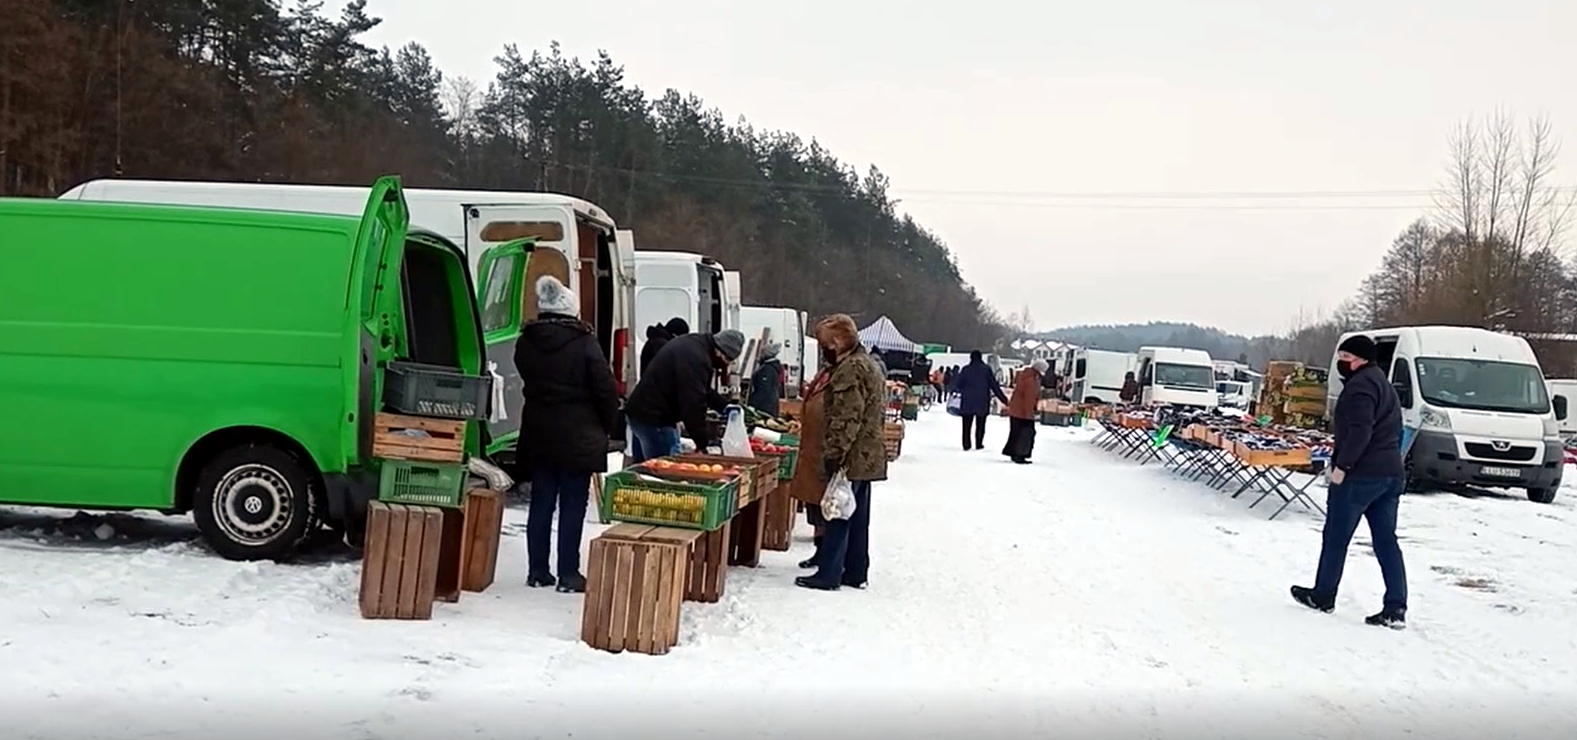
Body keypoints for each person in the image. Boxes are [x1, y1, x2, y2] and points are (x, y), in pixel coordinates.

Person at [1291, 334, 1407, 628]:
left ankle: (1323, 595)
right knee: (1386, 541)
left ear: (1360, 359)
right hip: (1390, 473)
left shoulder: (1360, 389)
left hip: (1360, 475)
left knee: (1336, 536)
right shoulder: (1385, 385)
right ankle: (1396, 606)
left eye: (1345, 357)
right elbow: (1395, 430)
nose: (1341, 362)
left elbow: (1360, 432)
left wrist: (1343, 466)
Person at [512, 276, 620, 593]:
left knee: (541, 502)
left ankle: (537, 570)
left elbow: (526, 374)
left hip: (539, 431)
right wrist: (606, 423)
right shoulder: (584, 343)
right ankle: (569, 574)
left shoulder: (526, 341)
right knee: (573, 505)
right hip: (578, 433)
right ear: (571, 309)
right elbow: (605, 389)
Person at [794, 314, 886, 591]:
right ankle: (856, 571)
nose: (823, 349)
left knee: (837, 513)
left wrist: (835, 453)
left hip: (851, 455)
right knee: (857, 516)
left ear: (836, 342)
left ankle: (829, 573)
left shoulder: (850, 369)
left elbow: (846, 416)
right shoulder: (868, 364)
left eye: (824, 343)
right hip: (867, 455)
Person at [624, 327, 746, 461]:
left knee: (642, 472)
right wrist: (702, 443)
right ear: (720, 352)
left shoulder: (696, 345)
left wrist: (724, 406)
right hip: (655, 419)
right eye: (728, 360)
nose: (726, 365)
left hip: (640, 412)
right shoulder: (697, 359)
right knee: (664, 471)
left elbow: (701, 389)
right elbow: (693, 404)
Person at [954, 351, 1008, 451]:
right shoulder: (986, 369)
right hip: (982, 400)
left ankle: (966, 444)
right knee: (981, 424)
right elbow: (994, 385)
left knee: (966, 424)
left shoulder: (966, 369)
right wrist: (1004, 399)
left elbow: (959, 385)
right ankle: (979, 443)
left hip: (967, 400)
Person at [1002, 359, 1047, 464]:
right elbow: (1029, 399)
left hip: (1016, 410)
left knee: (1015, 433)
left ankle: (1013, 453)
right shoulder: (1032, 381)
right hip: (1023, 412)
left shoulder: (1025, 376)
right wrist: (1029, 414)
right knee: (1025, 434)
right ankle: (1020, 455)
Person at [747, 340, 784, 417]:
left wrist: (752, 405)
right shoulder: (773, 368)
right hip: (770, 408)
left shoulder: (767, 370)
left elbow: (763, 391)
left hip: (764, 410)